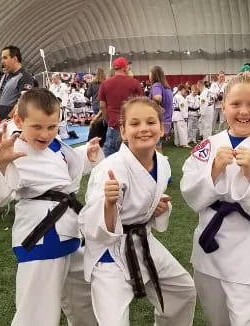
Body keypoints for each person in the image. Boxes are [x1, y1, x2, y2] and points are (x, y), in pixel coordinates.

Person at [0, 88, 102, 326]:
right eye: (37, 127)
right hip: (43, 234)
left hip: (70, 229)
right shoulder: (13, 151)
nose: (45, 133)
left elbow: (58, 173)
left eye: (52, 127)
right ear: (19, 121)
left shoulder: (54, 145)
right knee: (37, 313)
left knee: (83, 300)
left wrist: (86, 155)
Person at [180, 73, 250, 325]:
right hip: (210, 247)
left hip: (248, 249)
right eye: (236, 104)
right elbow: (189, 191)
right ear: (224, 106)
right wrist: (214, 171)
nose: (244, 112)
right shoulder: (209, 145)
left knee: (249, 319)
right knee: (216, 316)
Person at [79, 97, 196, 326]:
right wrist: (108, 205)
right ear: (122, 131)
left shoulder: (162, 162)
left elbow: (146, 199)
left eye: (151, 122)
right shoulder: (109, 169)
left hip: (143, 240)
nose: (143, 128)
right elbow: (91, 227)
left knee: (181, 290)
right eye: (134, 124)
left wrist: (158, 207)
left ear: (162, 128)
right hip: (109, 253)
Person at [98, 57, 143, 157]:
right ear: (125, 68)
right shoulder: (134, 83)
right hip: (130, 125)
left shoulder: (105, 84)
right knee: (131, 156)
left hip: (113, 125)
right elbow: (141, 103)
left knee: (110, 156)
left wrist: (107, 119)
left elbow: (102, 106)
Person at [0, 46, 33, 121]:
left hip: (14, 123)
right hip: (2, 120)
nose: (2, 61)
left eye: (5, 58)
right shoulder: (3, 77)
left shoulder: (25, 77)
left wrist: (8, 118)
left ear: (15, 59)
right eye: (2, 58)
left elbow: (22, 102)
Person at [149, 66, 173, 152]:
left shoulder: (156, 85)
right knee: (158, 146)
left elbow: (157, 97)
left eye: (150, 73)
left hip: (159, 120)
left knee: (155, 147)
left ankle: (158, 164)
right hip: (167, 120)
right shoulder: (167, 88)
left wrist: (154, 106)